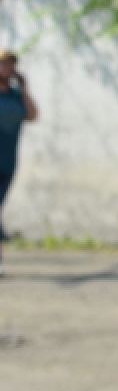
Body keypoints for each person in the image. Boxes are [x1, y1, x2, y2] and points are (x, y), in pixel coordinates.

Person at [0, 48, 39, 274]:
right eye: (4, 64)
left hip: (7, 164)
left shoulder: (16, 96)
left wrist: (24, 89)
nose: (8, 68)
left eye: (11, 64)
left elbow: (33, 115)